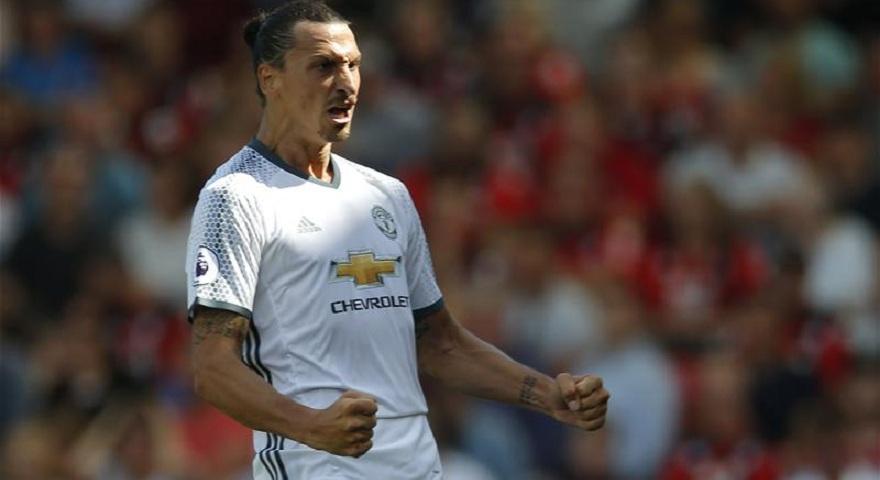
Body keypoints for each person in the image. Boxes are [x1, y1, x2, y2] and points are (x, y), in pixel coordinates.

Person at [185, 2, 610, 479]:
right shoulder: (236, 197)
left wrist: (546, 394)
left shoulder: (386, 195)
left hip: (416, 467)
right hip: (317, 468)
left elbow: (440, 343)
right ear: (270, 79)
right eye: (324, 66)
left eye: (353, 65)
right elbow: (212, 368)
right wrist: (310, 426)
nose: (346, 83)